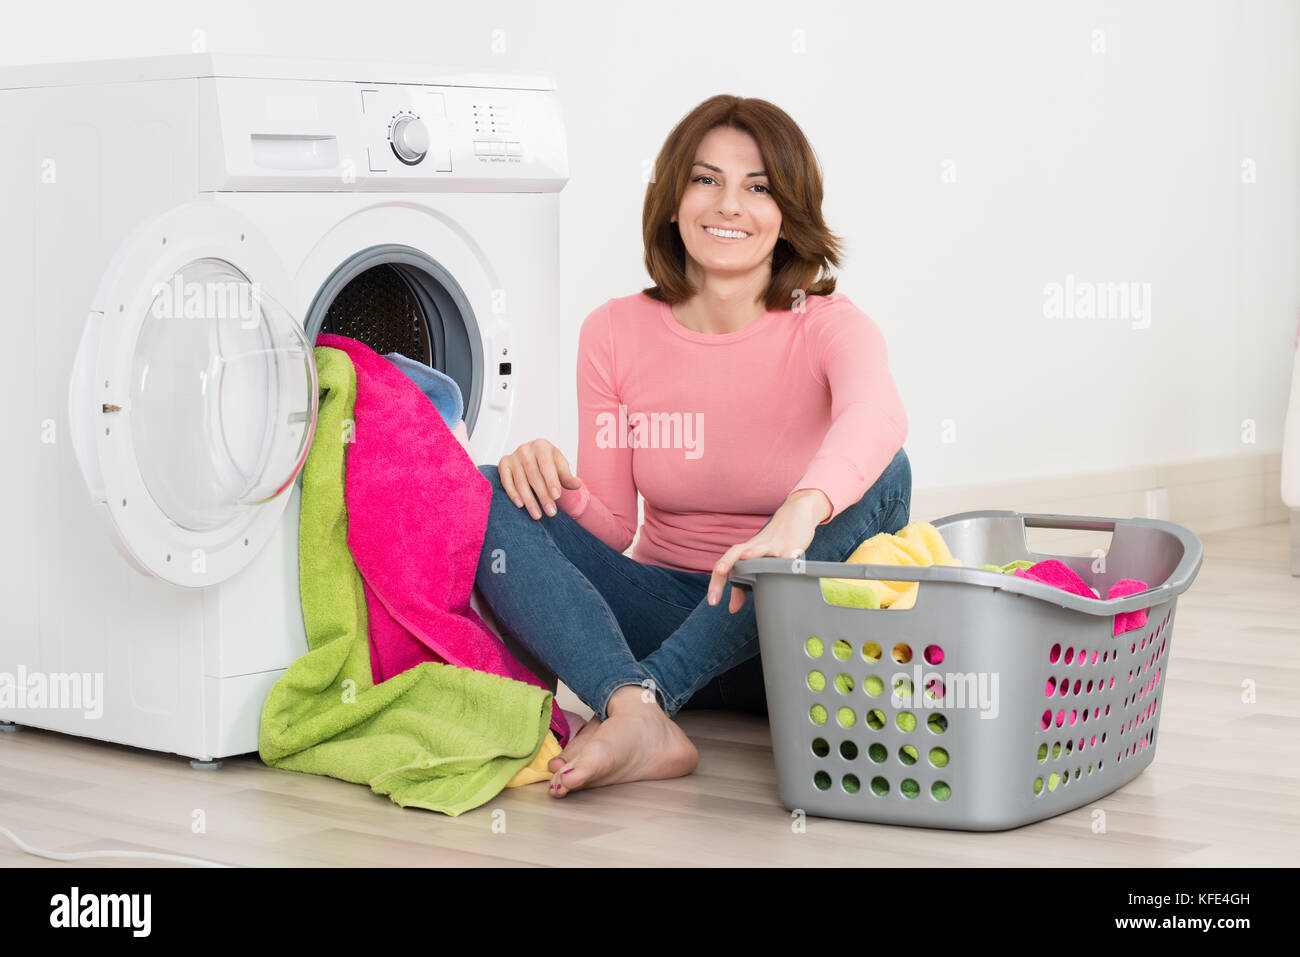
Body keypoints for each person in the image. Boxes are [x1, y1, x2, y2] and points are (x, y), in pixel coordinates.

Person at [474, 93, 912, 798]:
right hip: (661, 612)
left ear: (789, 211)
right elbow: (614, 526)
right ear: (674, 197)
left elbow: (879, 412)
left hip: (793, 638)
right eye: (706, 179)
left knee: (890, 469)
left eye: (758, 187)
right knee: (490, 485)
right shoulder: (614, 331)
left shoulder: (828, 324)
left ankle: (644, 701)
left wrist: (800, 512)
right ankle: (633, 701)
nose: (728, 205)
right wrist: (552, 483)